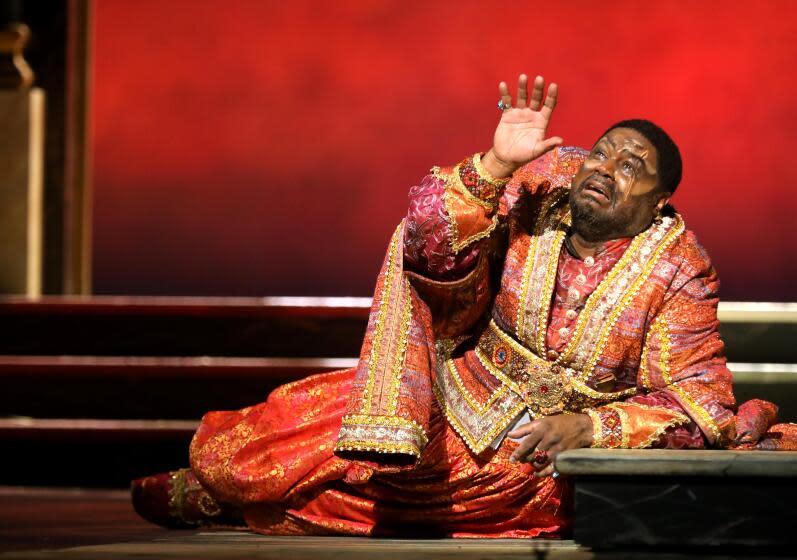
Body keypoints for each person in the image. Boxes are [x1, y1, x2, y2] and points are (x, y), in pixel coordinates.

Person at [132, 74, 796, 537]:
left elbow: (697, 401)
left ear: (658, 202)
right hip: (457, 387)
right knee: (307, 424)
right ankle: (223, 488)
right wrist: (495, 164)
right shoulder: (538, 188)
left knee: (476, 492)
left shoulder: (678, 268)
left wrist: (587, 431)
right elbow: (427, 242)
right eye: (602, 153)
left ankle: (235, 508)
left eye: (630, 167)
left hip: (539, 444)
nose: (603, 169)